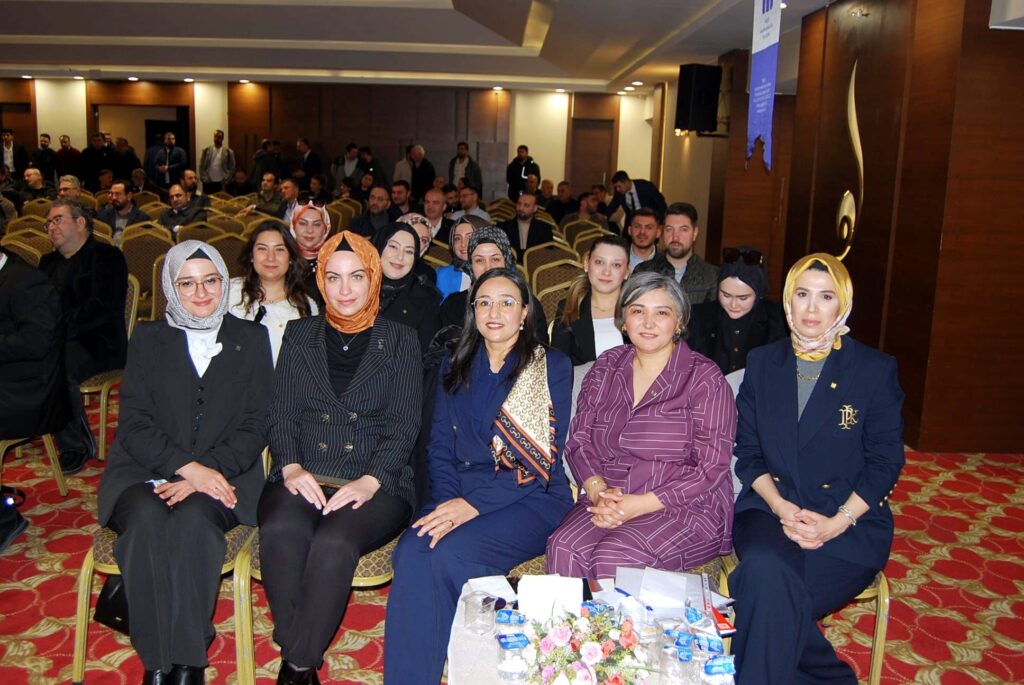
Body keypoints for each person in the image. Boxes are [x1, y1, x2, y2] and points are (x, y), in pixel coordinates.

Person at [383, 268, 573, 684]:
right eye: (484, 302)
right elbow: (438, 446)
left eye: (507, 302)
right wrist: (448, 502)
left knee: (450, 554)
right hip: (459, 491)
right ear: (473, 311)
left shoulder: (549, 366)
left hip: (531, 496)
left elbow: (538, 459)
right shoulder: (455, 362)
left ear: (525, 312)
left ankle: (481, 664)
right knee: (412, 552)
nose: (494, 312)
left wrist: (469, 506)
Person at [97, 241, 273, 685]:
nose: (201, 293)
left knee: (193, 522)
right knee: (146, 521)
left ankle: (188, 660)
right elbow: (134, 424)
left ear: (224, 282)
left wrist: (206, 472)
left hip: (226, 475)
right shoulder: (148, 339)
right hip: (143, 470)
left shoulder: (251, 338)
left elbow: (256, 424)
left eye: (210, 281)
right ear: (170, 289)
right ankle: (156, 661)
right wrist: (187, 468)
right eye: (187, 284)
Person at [728, 253, 905, 685]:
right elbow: (748, 452)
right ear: (787, 301)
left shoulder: (873, 370)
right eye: (802, 295)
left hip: (849, 523)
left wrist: (835, 523)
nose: (811, 308)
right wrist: (781, 507)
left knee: (763, 592)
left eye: (826, 297)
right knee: (768, 579)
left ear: (843, 304)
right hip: (770, 512)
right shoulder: (763, 362)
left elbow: (885, 462)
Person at [260, 231, 421, 685]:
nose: (345, 289)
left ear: (373, 279)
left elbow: (405, 423)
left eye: (356, 277)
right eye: (333, 277)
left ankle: (295, 664)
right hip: (305, 468)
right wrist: (291, 465)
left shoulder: (401, 339)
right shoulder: (300, 333)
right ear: (320, 281)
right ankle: (302, 656)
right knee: (281, 530)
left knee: (333, 542)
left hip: (376, 477)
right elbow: (281, 412)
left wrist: (372, 479)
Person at [545, 272, 736, 578]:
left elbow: (711, 467)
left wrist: (638, 505)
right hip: (610, 495)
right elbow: (579, 441)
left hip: (685, 505)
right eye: (637, 311)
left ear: (679, 321)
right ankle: (579, 614)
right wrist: (597, 491)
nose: (648, 323)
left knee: (614, 556)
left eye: (661, 313)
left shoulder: (704, 378)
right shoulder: (606, 367)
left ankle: (614, 614)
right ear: (623, 320)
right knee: (563, 546)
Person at [39, 199, 128, 474]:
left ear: (80, 223)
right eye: (48, 223)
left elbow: (101, 307)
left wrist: (57, 333)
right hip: (59, 340)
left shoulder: (106, 256)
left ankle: (75, 445)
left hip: (99, 342)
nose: (51, 227)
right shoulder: (47, 263)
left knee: (56, 366)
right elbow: (38, 305)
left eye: (58, 220)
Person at [439, 226, 549, 344]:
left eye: (495, 259)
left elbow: (540, 348)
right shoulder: (453, 305)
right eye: (480, 260)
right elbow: (447, 350)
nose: (488, 267)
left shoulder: (526, 302)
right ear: (471, 265)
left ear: (506, 262)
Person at [228, 222, 317, 365]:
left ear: (291, 258)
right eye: (262, 249)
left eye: (279, 249)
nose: (271, 257)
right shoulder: (228, 292)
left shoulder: (305, 307)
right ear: (251, 256)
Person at [688, 247, 787, 375]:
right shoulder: (698, 317)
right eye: (726, 295)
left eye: (743, 298)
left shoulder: (778, 320)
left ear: (759, 294)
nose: (733, 305)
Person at [550, 235, 630, 365]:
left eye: (616, 265)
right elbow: (558, 366)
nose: (606, 272)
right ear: (587, 264)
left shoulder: (638, 309)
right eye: (599, 262)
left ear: (627, 271)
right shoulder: (568, 307)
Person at [372, 221, 442, 353]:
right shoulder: (355, 286)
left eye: (409, 251)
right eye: (393, 246)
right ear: (379, 247)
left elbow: (427, 357)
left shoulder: (426, 301)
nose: (400, 257)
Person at [634, 202, 719, 303]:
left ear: (695, 233)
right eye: (669, 229)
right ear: (662, 232)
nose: (675, 237)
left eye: (683, 230)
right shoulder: (643, 271)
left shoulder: (711, 276)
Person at [434, 215, 488, 301]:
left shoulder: (501, 272)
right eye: (457, 238)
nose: (463, 244)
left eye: (470, 237)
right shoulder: (443, 275)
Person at [289, 203, 332, 306]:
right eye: (303, 223)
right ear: (293, 225)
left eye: (317, 224)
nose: (309, 230)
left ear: (326, 228)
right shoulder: (280, 259)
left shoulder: (333, 263)